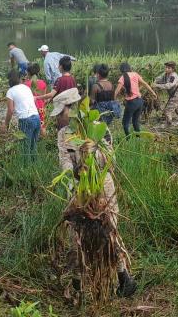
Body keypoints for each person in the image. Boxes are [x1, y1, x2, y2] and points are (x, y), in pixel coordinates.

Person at [49, 88, 137, 298]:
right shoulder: (63, 134)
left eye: (61, 112)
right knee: (75, 233)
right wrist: (71, 180)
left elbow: (111, 161)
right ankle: (78, 282)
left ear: (71, 109)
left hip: (102, 186)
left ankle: (124, 277)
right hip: (79, 187)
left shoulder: (99, 128)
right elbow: (64, 161)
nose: (59, 118)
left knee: (109, 231)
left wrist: (94, 151)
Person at [4, 70, 41, 156]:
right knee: (33, 147)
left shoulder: (10, 91)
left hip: (26, 120)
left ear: (9, 80)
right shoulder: (26, 87)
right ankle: (34, 166)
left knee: (25, 149)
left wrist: (6, 124)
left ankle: (26, 167)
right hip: (36, 117)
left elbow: (10, 110)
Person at [115, 62, 157, 136]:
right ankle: (138, 138)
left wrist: (111, 99)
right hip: (140, 101)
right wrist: (153, 93)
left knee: (125, 123)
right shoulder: (135, 74)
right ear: (129, 68)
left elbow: (116, 92)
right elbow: (145, 84)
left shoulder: (122, 78)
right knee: (135, 122)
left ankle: (127, 139)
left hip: (131, 103)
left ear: (121, 70)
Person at [153, 61, 178, 127]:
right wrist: (154, 81)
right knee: (177, 108)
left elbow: (169, 85)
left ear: (173, 69)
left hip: (177, 95)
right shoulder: (165, 74)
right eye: (166, 67)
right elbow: (158, 79)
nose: (166, 69)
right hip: (173, 95)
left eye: (169, 68)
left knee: (167, 110)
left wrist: (157, 85)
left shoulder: (173, 76)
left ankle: (168, 123)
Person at [24, 63, 48, 134]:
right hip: (41, 108)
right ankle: (44, 141)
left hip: (31, 109)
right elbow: (44, 97)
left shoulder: (26, 84)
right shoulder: (43, 83)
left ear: (28, 73)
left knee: (30, 128)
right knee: (42, 126)